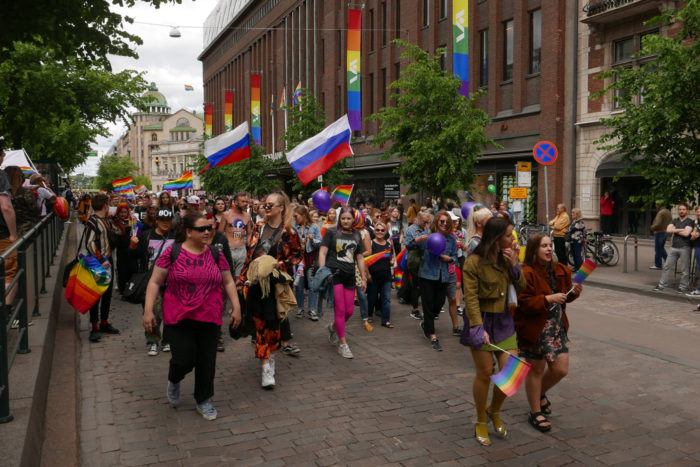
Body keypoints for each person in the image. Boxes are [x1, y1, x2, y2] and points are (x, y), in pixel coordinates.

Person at [143, 212, 241, 420]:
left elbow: (228, 281)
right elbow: (155, 282)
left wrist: (236, 307)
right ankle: (174, 377)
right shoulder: (173, 252)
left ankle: (203, 399)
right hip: (179, 316)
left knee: (207, 360)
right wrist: (148, 310)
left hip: (209, 315)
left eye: (209, 228)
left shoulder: (216, 253)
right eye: (201, 229)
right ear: (188, 232)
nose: (207, 232)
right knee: (184, 359)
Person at [461, 217, 526, 446]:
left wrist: (514, 266)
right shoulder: (474, 262)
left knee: (512, 372)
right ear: (497, 238)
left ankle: (493, 410)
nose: (513, 239)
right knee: (485, 372)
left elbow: (522, 287)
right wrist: (478, 327)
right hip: (481, 319)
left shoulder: (508, 257)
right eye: (509, 235)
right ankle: (480, 419)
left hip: (504, 321)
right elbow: (470, 297)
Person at [515, 233, 582, 432]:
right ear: (534, 249)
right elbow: (523, 303)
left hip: (556, 327)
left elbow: (565, 296)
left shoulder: (560, 269)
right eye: (544, 246)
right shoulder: (525, 272)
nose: (549, 249)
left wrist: (574, 293)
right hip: (535, 328)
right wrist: (547, 299)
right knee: (535, 370)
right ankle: (535, 412)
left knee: (560, 369)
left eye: (550, 245)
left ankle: (539, 393)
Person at [238, 191, 303, 388]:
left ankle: (271, 357)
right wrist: (242, 278)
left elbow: (297, 255)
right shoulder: (257, 227)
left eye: (270, 205)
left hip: (276, 286)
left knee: (274, 327)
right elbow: (249, 255)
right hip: (256, 286)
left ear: (281, 208)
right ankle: (265, 366)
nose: (266, 208)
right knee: (259, 327)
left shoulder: (289, 232)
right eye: (265, 204)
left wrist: (277, 264)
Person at [318, 207, 369, 359]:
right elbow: (322, 252)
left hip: (350, 276)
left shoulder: (357, 234)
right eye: (343, 218)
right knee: (340, 310)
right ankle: (343, 344)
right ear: (339, 219)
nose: (346, 221)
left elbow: (359, 257)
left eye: (348, 218)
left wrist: (364, 277)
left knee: (349, 312)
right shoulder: (331, 232)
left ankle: (333, 327)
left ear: (354, 220)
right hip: (335, 275)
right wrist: (323, 271)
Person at [130, 208, 175, 356]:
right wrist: (132, 245)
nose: (165, 223)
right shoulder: (147, 235)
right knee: (153, 311)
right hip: (151, 280)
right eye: (162, 220)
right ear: (157, 220)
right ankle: (153, 340)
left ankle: (167, 340)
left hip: (172, 280)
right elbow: (136, 255)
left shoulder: (176, 236)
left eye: (168, 220)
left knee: (170, 311)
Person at [417, 210, 458, 352]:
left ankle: (427, 324)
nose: (444, 224)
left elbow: (455, 257)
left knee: (439, 302)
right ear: (436, 222)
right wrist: (417, 241)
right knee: (428, 305)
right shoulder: (428, 236)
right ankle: (432, 335)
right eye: (442, 221)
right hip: (427, 275)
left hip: (443, 276)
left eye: (447, 222)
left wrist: (450, 259)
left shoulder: (451, 239)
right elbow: (413, 248)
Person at [84, 193, 118, 342]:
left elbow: (119, 232)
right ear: (105, 205)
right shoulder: (92, 221)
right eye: (108, 204)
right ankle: (95, 326)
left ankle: (104, 322)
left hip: (108, 260)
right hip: (99, 262)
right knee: (96, 295)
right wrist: (101, 259)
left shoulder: (105, 220)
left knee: (107, 293)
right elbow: (90, 243)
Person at [654, 202, 694, 293]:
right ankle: (661, 285)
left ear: (687, 211)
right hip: (674, 247)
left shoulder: (690, 221)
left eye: (683, 209)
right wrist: (680, 230)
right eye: (680, 209)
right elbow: (668, 230)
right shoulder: (674, 220)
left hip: (685, 247)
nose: (681, 211)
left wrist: (674, 230)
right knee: (666, 266)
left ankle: (683, 287)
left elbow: (686, 233)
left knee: (685, 269)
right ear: (677, 210)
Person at [292, 205, 321, 320]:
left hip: (310, 259)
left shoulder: (314, 226)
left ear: (303, 215)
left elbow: (320, 242)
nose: (294, 218)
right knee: (299, 285)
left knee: (312, 284)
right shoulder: (293, 227)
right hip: (298, 261)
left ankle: (312, 309)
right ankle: (300, 308)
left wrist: (313, 240)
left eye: (296, 216)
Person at [366, 221, 396, 328]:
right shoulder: (370, 243)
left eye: (382, 230)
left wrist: (392, 261)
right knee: (372, 298)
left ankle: (385, 320)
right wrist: (367, 275)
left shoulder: (388, 244)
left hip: (386, 276)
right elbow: (365, 260)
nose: (379, 232)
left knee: (386, 298)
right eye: (377, 230)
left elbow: (391, 257)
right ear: (374, 231)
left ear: (385, 232)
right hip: (373, 276)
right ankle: (369, 314)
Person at [403, 211, 431, 320]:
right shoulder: (411, 229)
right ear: (418, 219)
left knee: (425, 285)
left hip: (426, 260)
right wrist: (416, 240)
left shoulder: (427, 228)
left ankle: (426, 308)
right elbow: (407, 245)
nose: (426, 224)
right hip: (415, 261)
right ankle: (415, 309)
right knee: (417, 286)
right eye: (425, 222)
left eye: (428, 222)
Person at [0, 144, 18, 306]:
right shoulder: (1, 176)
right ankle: (5, 316)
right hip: (2, 235)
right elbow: (6, 206)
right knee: (10, 274)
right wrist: (13, 234)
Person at [111, 203, 137, 294]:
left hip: (131, 250)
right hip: (120, 250)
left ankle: (131, 290)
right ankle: (122, 291)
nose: (123, 214)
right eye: (121, 212)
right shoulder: (114, 222)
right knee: (122, 271)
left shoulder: (132, 221)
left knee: (131, 270)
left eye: (125, 212)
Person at [4, 166, 39, 235]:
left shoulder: (4, 192)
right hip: (18, 229)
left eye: (21, 176)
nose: (21, 178)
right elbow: (35, 210)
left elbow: (35, 210)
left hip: (17, 230)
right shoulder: (24, 191)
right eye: (19, 176)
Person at [650, 203, 672, 270]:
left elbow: (658, 224)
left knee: (658, 249)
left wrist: (652, 228)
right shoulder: (668, 211)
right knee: (661, 248)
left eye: (656, 205)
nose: (655, 206)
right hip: (665, 231)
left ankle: (658, 264)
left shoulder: (660, 213)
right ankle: (668, 262)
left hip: (659, 232)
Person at [686, 205, 700, 298]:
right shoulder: (697, 222)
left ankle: (698, 290)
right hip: (697, 246)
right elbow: (694, 235)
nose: (698, 213)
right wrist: (693, 235)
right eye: (697, 211)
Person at [567, 208, 586, 272]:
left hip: (577, 241)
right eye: (572, 212)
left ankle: (581, 269)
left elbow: (571, 229)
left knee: (577, 255)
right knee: (574, 254)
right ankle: (576, 267)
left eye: (573, 213)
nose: (571, 214)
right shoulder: (574, 221)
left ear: (577, 214)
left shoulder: (580, 222)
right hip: (572, 240)